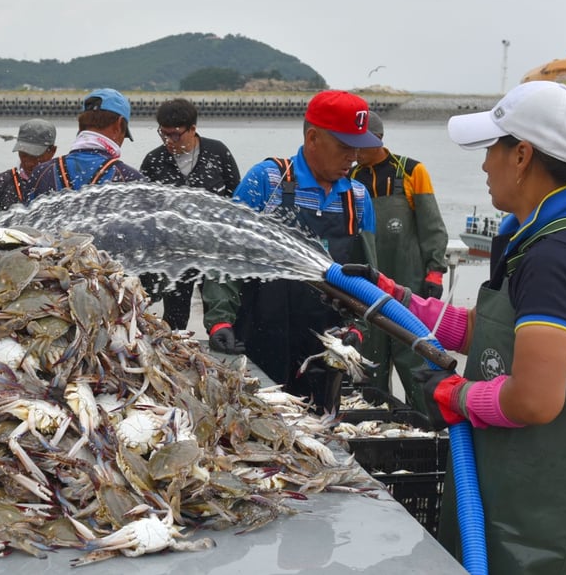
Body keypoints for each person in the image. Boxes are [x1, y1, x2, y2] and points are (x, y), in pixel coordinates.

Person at [344, 81, 566, 572]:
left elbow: (535, 399)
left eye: (491, 148)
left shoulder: (554, 257)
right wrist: (392, 295)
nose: (483, 164)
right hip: (516, 490)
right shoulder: (530, 237)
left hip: (546, 518)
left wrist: (456, 395)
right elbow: (483, 330)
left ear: (521, 156)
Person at [202, 90, 380, 413]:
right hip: (260, 337)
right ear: (313, 138)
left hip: (326, 348)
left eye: (357, 147)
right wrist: (219, 320)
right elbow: (224, 252)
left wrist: (358, 329)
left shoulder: (358, 198)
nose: (353, 157)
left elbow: (367, 279)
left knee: (319, 433)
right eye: (344, 146)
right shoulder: (267, 181)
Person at [348, 113, 448, 411]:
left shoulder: (411, 171)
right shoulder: (351, 178)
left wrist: (435, 273)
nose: (356, 152)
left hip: (410, 288)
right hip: (367, 290)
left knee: (414, 360)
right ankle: (374, 426)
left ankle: (428, 428)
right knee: (369, 366)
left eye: (361, 145)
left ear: (378, 140)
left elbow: (433, 226)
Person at [140, 98, 242, 330]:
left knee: (220, 316)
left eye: (175, 135)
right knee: (175, 320)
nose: (169, 141)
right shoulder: (154, 160)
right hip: (174, 255)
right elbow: (143, 212)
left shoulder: (217, 152)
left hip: (214, 252)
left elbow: (237, 200)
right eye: (163, 134)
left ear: (193, 129)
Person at [25, 88, 146, 201]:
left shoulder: (42, 172)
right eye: (124, 135)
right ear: (119, 125)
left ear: (80, 125)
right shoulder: (130, 179)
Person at [0, 119, 57, 221]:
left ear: (52, 151)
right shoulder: (0, 183)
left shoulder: (61, 182)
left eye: (36, 156)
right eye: (24, 155)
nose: (29, 163)